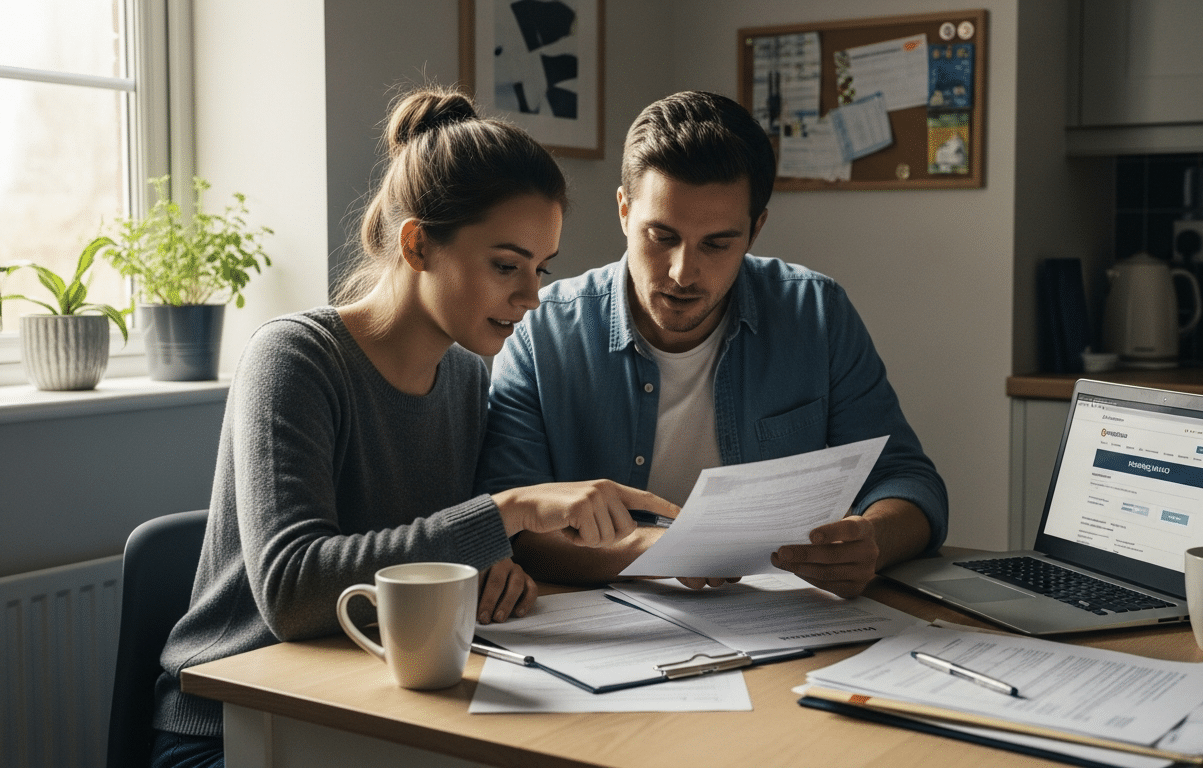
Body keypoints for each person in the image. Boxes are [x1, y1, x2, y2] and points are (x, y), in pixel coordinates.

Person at [148, 86, 677, 768]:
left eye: (540, 269)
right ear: (419, 244)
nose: (530, 296)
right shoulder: (295, 359)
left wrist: (494, 569)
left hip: (371, 703)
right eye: (505, 265)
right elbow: (293, 591)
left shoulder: (464, 379)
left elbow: (421, 552)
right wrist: (506, 512)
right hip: (235, 729)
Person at [476, 90, 947, 599]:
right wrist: (666, 550)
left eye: (718, 244)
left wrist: (872, 539)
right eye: (661, 236)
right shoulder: (542, 331)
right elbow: (509, 523)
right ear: (623, 212)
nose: (683, 272)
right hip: (606, 632)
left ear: (755, 230)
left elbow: (909, 483)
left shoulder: (817, 313)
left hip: (778, 626)